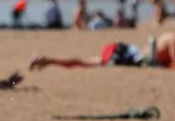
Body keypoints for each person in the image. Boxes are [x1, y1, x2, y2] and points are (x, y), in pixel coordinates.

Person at [29, 31, 175, 70]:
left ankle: (47, 60)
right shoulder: (172, 38)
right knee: (85, 63)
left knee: (84, 62)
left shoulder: (169, 37)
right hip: (121, 54)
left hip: (122, 52)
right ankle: (46, 59)